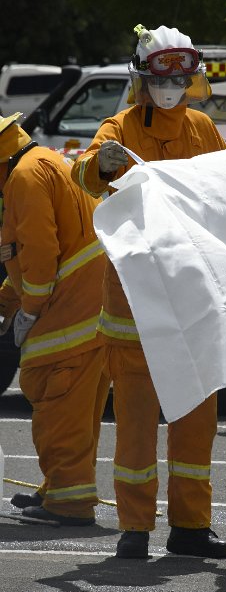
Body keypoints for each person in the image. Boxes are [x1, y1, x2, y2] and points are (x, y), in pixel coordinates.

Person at [71, 24, 226, 560]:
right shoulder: (118, 128)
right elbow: (85, 177)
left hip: (192, 300)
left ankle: (191, 527)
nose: (173, 87)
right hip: (134, 308)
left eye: (184, 77)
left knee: (195, 424)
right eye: (165, 77)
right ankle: (134, 528)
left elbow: (223, 195)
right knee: (137, 428)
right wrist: (103, 164)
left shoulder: (203, 128)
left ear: (194, 79)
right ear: (142, 78)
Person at [0, 113, 109, 525]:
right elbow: (35, 253)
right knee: (77, 413)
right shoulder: (46, 160)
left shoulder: (24, 179)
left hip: (69, 316)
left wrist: (28, 309)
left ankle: (68, 503)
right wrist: (8, 299)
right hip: (92, 310)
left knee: (56, 407)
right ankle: (58, 487)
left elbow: (42, 255)